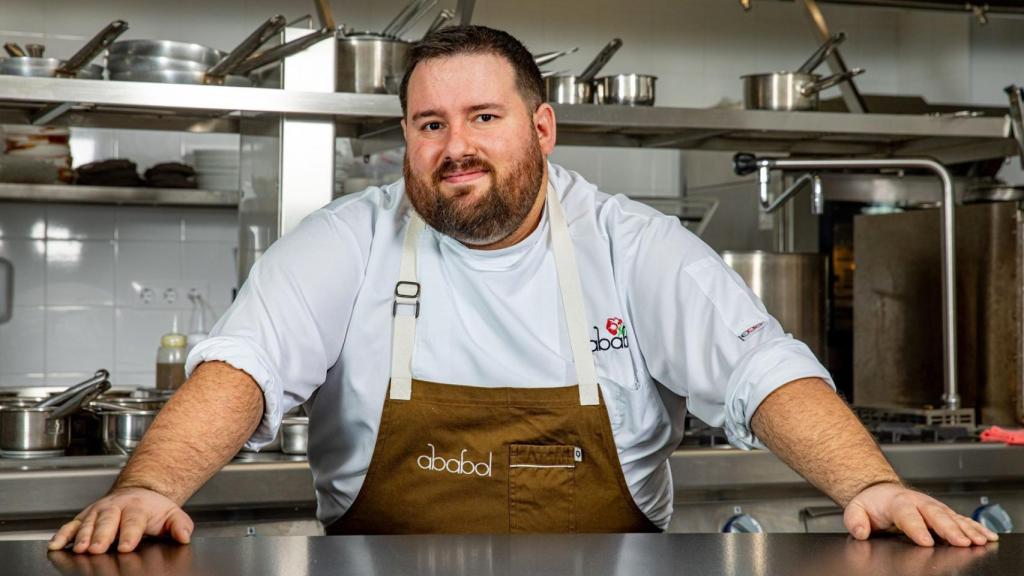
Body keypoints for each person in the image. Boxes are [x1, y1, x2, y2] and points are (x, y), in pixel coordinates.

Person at [50, 26, 996, 554]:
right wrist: (150, 487)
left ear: (542, 129)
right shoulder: (349, 239)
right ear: (406, 139)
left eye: (482, 117)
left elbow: (761, 372)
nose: (454, 146)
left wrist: (870, 483)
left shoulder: (629, 243)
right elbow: (243, 367)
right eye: (430, 124)